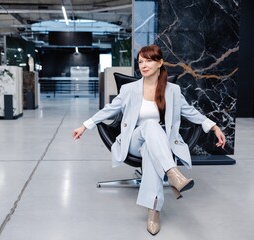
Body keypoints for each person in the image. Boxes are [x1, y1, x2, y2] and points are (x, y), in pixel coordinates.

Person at [72, 44, 226, 235]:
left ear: (160, 63)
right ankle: (173, 173)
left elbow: (190, 112)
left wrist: (213, 126)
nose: (143, 65)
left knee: (151, 153)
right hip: (134, 141)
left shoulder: (173, 90)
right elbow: (109, 109)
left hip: (158, 144)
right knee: (150, 125)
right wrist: (85, 125)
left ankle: (153, 211)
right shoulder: (129, 89)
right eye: (140, 61)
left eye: (149, 60)